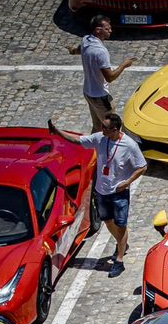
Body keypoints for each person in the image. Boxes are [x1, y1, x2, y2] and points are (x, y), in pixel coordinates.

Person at [50, 114, 145, 277]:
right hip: (101, 190)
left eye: (104, 127)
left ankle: (119, 260)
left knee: (121, 225)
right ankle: (121, 243)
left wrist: (127, 182)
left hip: (118, 193)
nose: (101, 129)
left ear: (114, 130)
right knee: (108, 221)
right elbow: (77, 140)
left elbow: (141, 167)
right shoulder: (100, 138)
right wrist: (58, 132)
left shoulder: (129, 145)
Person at [67, 15, 135, 131]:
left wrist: (73, 51)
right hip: (100, 97)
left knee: (97, 127)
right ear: (98, 30)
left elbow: (80, 49)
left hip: (88, 92)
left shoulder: (86, 39)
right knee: (113, 129)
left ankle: (93, 148)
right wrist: (124, 65)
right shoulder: (101, 52)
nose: (110, 31)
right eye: (107, 29)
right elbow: (109, 77)